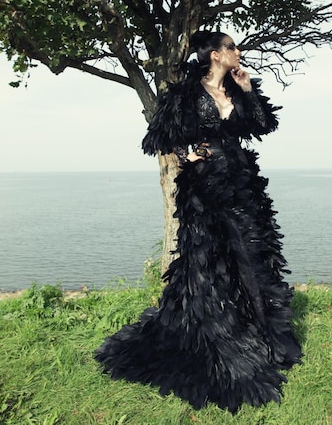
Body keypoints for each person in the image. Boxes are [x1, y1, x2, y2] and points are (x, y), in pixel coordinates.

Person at [94, 30, 302, 413]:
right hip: (205, 186)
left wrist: (250, 89)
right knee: (210, 261)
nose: (239, 52)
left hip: (241, 183)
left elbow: (262, 126)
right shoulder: (186, 93)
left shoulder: (237, 88)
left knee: (251, 257)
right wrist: (186, 153)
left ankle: (262, 335)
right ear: (215, 54)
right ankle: (219, 338)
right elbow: (157, 137)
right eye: (233, 47)